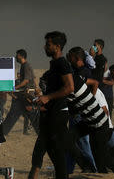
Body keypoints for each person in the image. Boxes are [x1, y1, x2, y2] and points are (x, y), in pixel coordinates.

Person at [66, 46, 111, 174]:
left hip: (96, 121)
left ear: (76, 58)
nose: (69, 59)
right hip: (86, 119)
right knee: (70, 140)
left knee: (99, 159)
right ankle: (87, 167)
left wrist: (90, 96)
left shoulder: (82, 73)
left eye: (70, 56)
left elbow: (95, 83)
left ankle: (92, 168)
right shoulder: (76, 72)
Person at [36, 31, 73, 179]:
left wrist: (48, 97)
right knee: (53, 152)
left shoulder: (62, 64)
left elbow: (70, 87)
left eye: (48, 44)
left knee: (58, 156)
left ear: (57, 47)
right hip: (50, 114)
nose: (45, 47)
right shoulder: (54, 64)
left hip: (58, 116)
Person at [3, 49, 38, 136]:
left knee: (30, 113)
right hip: (24, 94)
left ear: (21, 56)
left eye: (17, 55)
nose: (16, 57)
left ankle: (41, 132)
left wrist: (15, 88)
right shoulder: (24, 65)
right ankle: (2, 132)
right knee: (14, 113)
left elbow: (26, 81)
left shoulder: (26, 66)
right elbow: (33, 79)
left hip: (27, 95)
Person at [92, 39, 113, 115]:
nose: (93, 47)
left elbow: (98, 74)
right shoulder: (95, 58)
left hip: (100, 89)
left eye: (95, 45)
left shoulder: (101, 59)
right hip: (96, 87)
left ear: (100, 47)